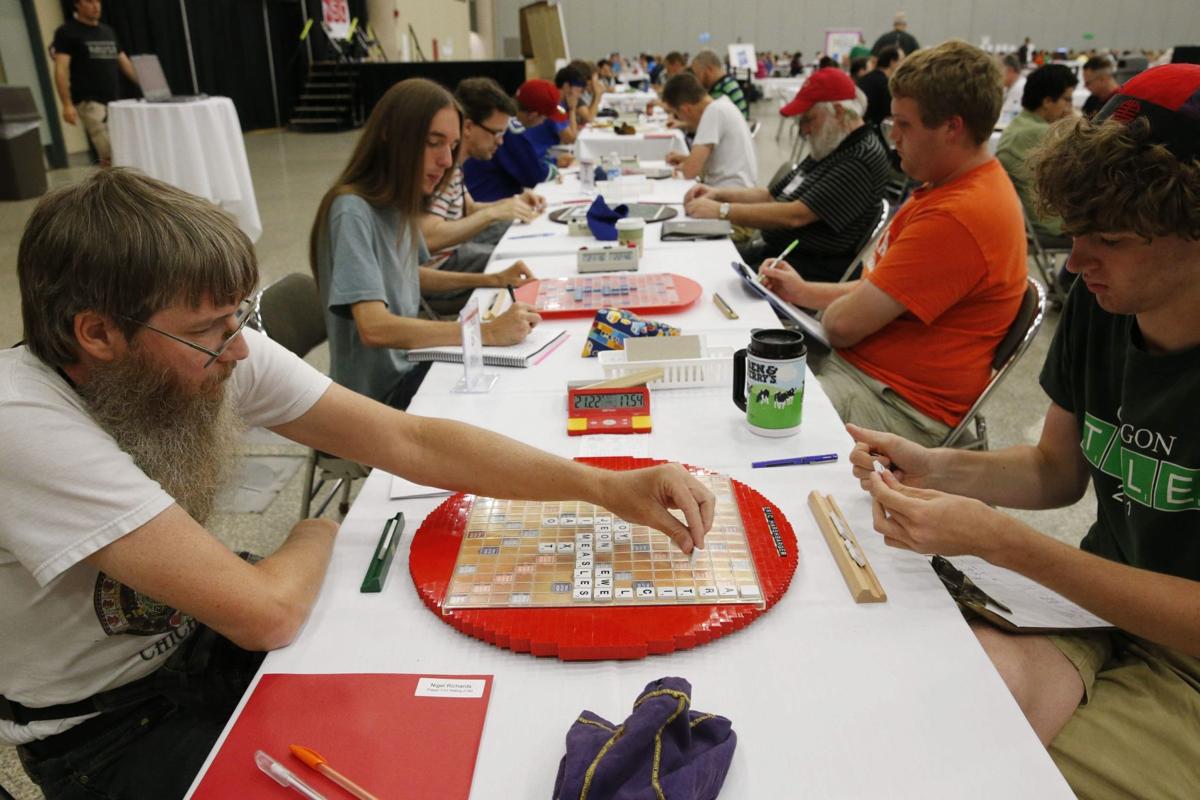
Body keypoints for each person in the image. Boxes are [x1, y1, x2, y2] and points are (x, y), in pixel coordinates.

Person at [1, 167, 716, 800]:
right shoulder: (20, 424)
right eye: (215, 329)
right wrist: (315, 532)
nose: (241, 347)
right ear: (96, 335)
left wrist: (601, 486)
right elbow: (266, 611)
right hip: (108, 730)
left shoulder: (199, 345)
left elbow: (404, 437)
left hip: (201, 640)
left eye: (240, 316)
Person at [852, 63, 1200, 799]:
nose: (1075, 262)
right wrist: (933, 466)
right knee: (935, 716)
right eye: (1072, 233)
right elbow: (1056, 472)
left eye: (1106, 237)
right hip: (1101, 604)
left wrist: (1007, 543)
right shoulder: (1104, 312)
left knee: (998, 774)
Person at [758, 40, 1027, 446]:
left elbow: (843, 326)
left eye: (904, 125)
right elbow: (888, 289)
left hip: (898, 407)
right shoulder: (949, 189)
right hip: (874, 382)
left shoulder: (958, 215)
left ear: (952, 128)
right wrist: (806, 291)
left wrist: (824, 311)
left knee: (758, 421)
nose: (893, 138)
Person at [311, 79, 542, 409]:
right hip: (378, 398)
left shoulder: (394, 203)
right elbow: (374, 328)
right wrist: (485, 332)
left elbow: (411, 274)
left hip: (410, 366)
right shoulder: (352, 211)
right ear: (392, 136)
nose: (448, 160)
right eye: (435, 143)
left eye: (452, 146)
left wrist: (491, 280)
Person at [684, 68, 889, 282]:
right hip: (781, 256)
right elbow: (772, 195)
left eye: (809, 119)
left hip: (807, 270)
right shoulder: (834, 146)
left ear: (838, 112)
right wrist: (719, 194)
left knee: (709, 280)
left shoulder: (859, 159)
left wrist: (722, 210)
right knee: (704, 265)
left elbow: (795, 216)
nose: (804, 130)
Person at [421, 78, 546, 290]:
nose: (500, 141)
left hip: (455, 251)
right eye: (496, 132)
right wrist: (493, 214)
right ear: (468, 127)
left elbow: (468, 209)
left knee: (529, 239)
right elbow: (429, 238)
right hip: (440, 267)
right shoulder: (442, 168)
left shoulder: (456, 165)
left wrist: (512, 203)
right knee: (526, 264)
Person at [996, 64, 1078, 246]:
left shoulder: (1018, 126)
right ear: (1048, 101)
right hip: (1051, 226)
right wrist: (1076, 124)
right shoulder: (1043, 133)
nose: (1070, 107)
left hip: (1030, 222)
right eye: (1067, 100)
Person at [51, 0, 138, 165]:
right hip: (89, 101)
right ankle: (108, 189)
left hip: (114, 102)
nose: (96, 6)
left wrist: (148, 85)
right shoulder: (67, 32)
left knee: (123, 150)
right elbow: (61, 69)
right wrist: (67, 104)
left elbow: (124, 63)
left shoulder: (107, 31)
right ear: (77, 4)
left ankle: (118, 186)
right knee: (108, 152)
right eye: (89, 1)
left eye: (97, 1)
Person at [462, 78, 567, 203]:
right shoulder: (511, 131)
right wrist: (554, 167)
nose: (500, 141)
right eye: (496, 133)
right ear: (533, 115)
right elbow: (534, 175)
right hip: (489, 199)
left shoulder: (503, 126)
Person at [661, 72, 757, 190]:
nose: (681, 120)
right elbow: (719, 162)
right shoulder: (722, 104)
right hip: (736, 188)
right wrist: (686, 159)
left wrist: (687, 164)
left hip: (730, 194)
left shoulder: (713, 112)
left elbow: (690, 172)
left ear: (685, 109)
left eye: (677, 114)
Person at [523, 65, 586, 159]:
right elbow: (571, 139)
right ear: (567, 86)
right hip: (539, 154)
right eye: (579, 91)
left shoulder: (559, 103)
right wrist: (572, 109)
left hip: (541, 150)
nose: (580, 95)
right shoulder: (555, 105)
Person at [689, 49, 750, 120]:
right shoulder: (725, 83)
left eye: (698, 74)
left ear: (709, 69)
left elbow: (707, 117)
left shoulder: (722, 89)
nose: (697, 79)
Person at [857, 46, 904, 133]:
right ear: (892, 62)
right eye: (901, 60)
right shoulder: (886, 84)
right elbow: (889, 115)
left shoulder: (864, 79)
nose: (903, 64)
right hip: (876, 133)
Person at [998, 53, 1026, 127]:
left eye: (999, 71)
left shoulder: (1019, 88)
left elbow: (1004, 115)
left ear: (1010, 71)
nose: (998, 75)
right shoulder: (1010, 87)